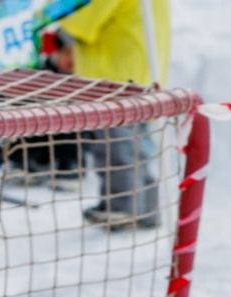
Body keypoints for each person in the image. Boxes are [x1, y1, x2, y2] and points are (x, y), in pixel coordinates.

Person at [46, 0, 168, 229]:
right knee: (137, 147)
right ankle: (146, 208)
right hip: (138, 69)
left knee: (115, 147)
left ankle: (122, 207)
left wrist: (63, 35)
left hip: (114, 75)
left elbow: (88, 17)